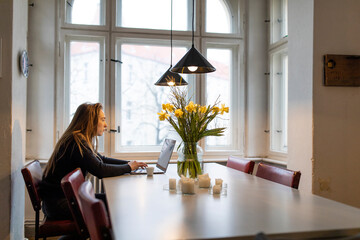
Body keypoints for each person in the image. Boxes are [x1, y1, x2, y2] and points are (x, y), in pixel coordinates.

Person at [39, 103, 147, 220]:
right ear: (90, 121)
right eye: (102, 119)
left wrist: (130, 164)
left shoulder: (78, 139)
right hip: (59, 204)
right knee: (114, 204)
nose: (106, 125)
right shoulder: (76, 142)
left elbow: (102, 160)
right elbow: (100, 170)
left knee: (113, 201)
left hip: (62, 199)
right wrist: (129, 167)